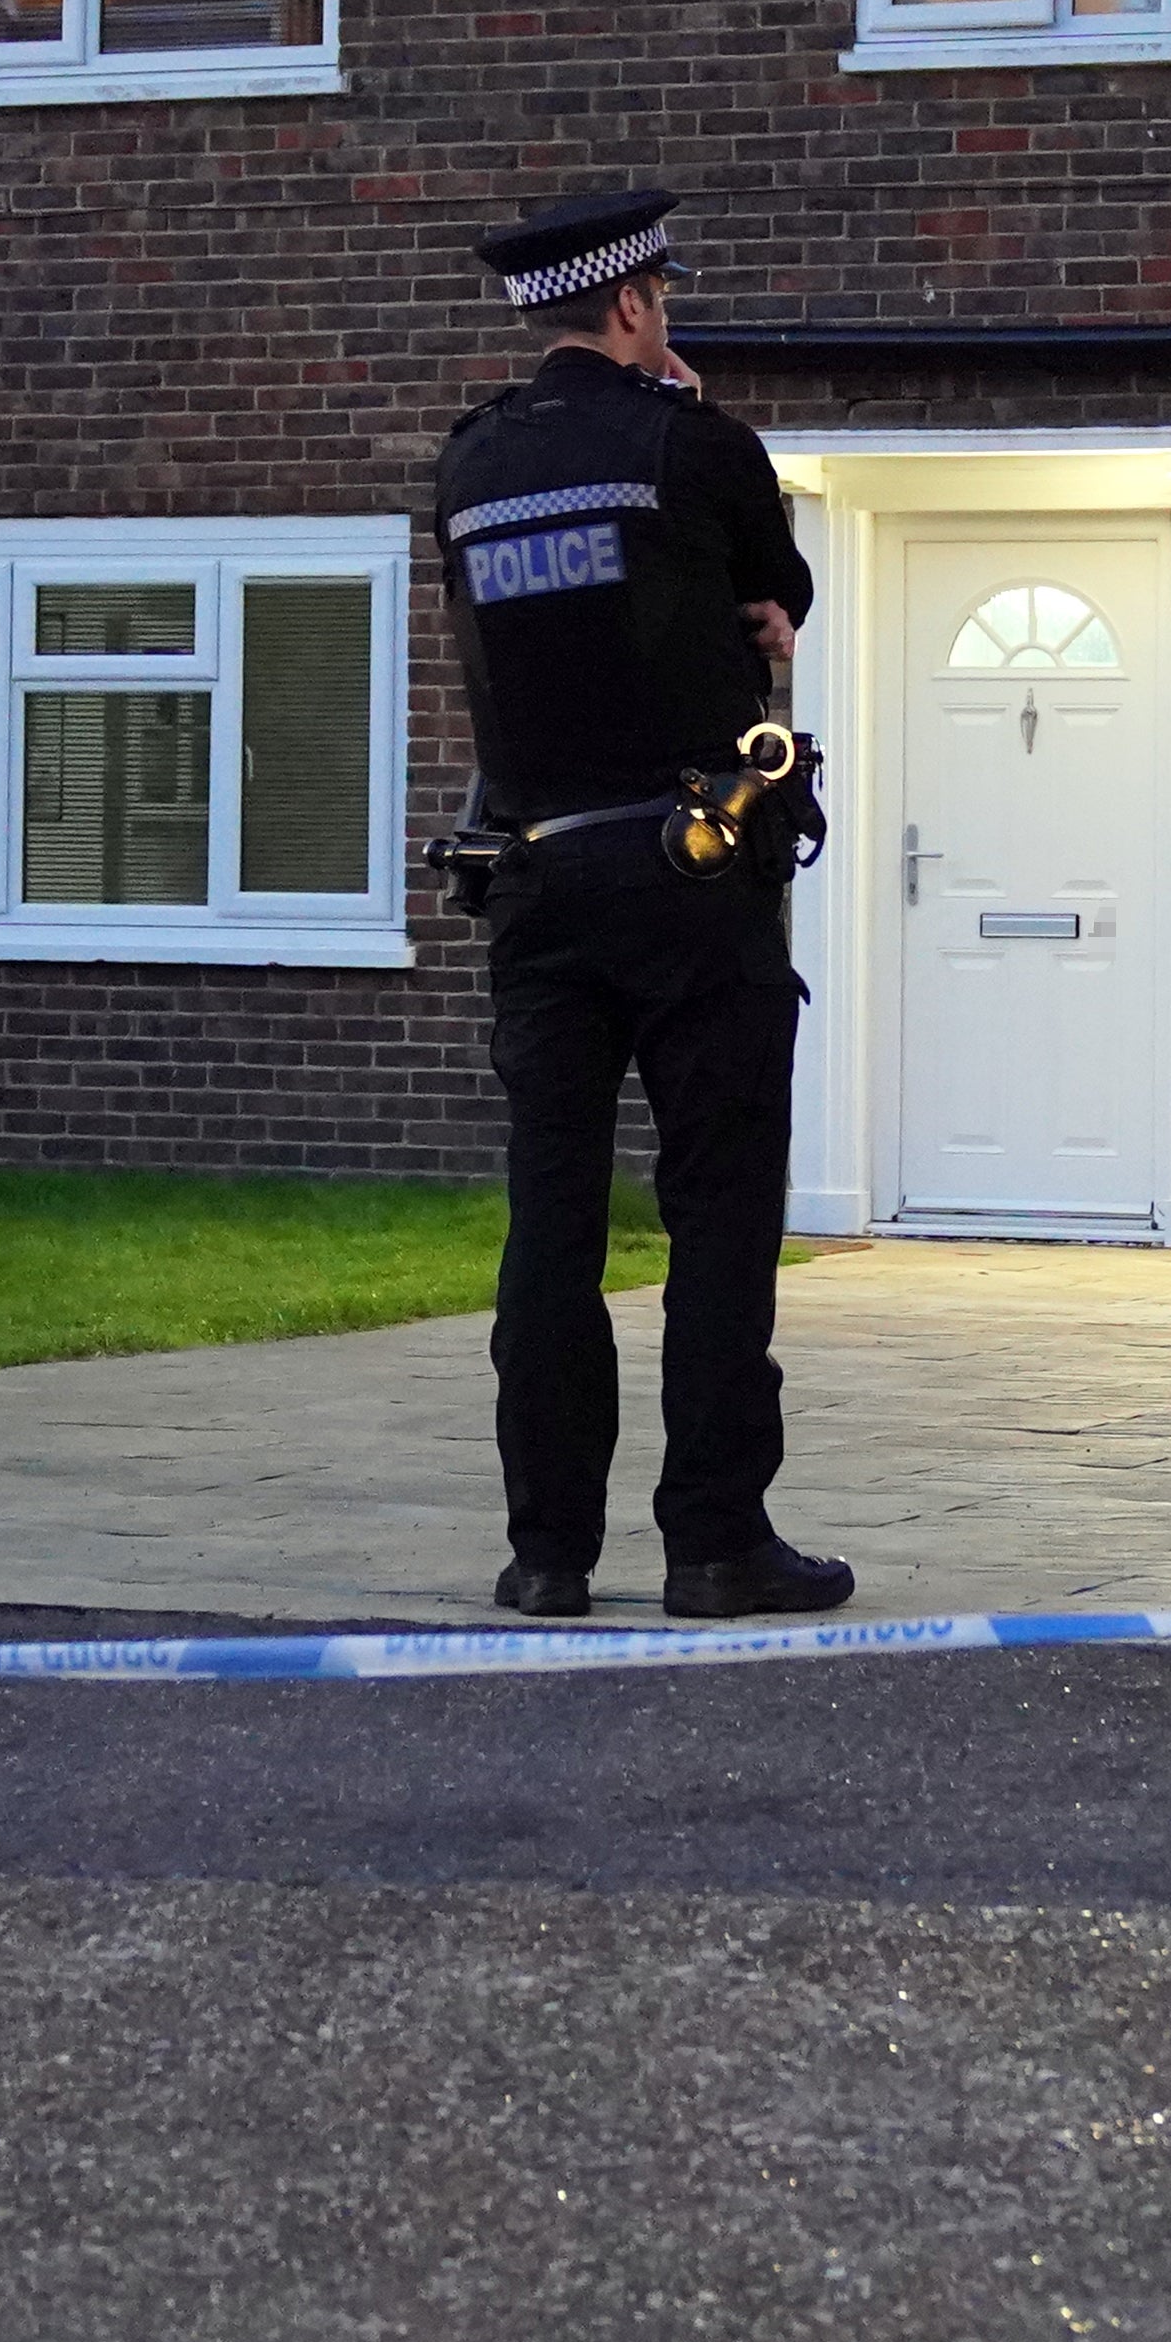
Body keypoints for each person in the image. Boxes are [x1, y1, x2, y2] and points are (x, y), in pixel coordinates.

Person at [431, 185, 855, 1625]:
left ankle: (547, 1552)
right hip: (691, 879)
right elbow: (773, 587)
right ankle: (715, 1544)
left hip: (535, 881)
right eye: (660, 302)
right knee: (719, 1216)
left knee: (550, 1220)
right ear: (631, 307)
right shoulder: (696, 448)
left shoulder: (472, 468)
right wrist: (692, 419)